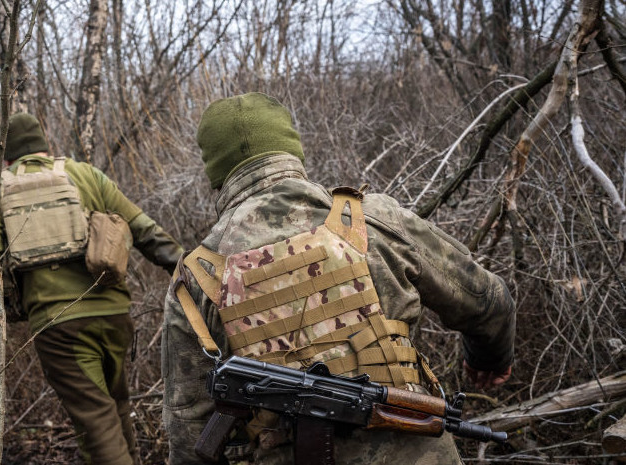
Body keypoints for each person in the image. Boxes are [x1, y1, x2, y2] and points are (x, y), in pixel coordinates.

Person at [161, 93, 516, 464]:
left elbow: (188, 427)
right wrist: (488, 360)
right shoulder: (371, 220)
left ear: (215, 176)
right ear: (293, 152)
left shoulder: (196, 278)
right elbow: (489, 302)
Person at [0, 113, 184, 465]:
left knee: (97, 425)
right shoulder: (83, 174)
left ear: (6, 155)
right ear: (44, 145)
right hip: (114, 316)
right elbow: (144, 230)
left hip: (59, 325)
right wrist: (187, 269)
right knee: (115, 407)